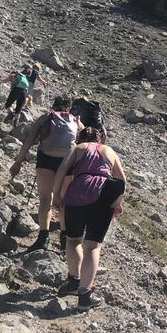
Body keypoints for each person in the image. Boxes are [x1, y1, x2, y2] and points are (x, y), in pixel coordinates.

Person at [53, 127, 126, 311]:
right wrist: (117, 203)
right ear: (100, 138)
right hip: (104, 194)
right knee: (93, 245)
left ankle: (73, 280)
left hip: (78, 192)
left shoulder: (79, 148)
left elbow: (62, 168)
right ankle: (84, 296)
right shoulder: (109, 150)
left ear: (80, 137)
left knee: (73, 240)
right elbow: (122, 180)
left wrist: (56, 195)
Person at [10, 96, 82, 252]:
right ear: (69, 108)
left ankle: (42, 237)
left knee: (45, 199)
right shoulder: (76, 122)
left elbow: (29, 140)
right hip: (67, 163)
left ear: (53, 106)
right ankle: (64, 241)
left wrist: (18, 162)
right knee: (63, 201)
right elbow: (84, 142)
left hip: (45, 160)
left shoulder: (45, 118)